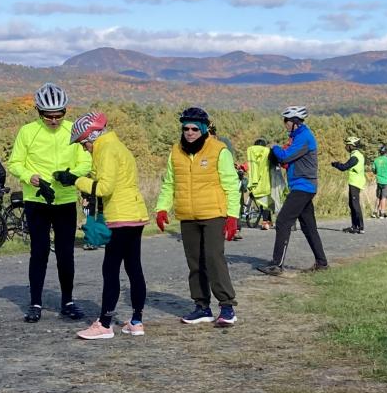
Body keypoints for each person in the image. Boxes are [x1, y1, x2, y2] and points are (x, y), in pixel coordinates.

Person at [7, 83, 91, 323]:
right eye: (48, 116)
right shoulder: (27, 131)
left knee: (66, 254)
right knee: (39, 252)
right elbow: (15, 163)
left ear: (65, 111)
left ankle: (68, 301)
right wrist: (30, 177)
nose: (54, 120)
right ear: (38, 111)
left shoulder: (73, 131)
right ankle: (35, 303)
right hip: (37, 200)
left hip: (64, 200)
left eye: (59, 115)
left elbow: (86, 162)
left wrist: (71, 175)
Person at [155, 107, 241, 326]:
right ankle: (202, 307)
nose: (190, 132)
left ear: (203, 129)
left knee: (214, 258)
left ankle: (227, 306)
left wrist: (233, 216)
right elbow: (169, 183)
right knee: (195, 262)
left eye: (194, 128)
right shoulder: (176, 151)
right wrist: (162, 208)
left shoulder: (219, 150)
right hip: (187, 216)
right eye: (186, 128)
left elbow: (232, 185)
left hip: (214, 214)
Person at [68, 112, 149, 339]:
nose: (84, 148)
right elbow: (105, 176)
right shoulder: (117, 146)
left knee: (111, 269)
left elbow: (104, 187)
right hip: (135, 214)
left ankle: (104, 324)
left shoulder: (105, 149)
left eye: (83, 143)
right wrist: (83, 177)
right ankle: (136, 321)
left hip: (120, 217)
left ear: (91, 137)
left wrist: (75, 181)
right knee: (134, 267)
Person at [258, 106, 328, 275]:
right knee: (309, 226)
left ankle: (276, 265)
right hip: (303, 186)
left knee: (282, 221)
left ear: (295, 122)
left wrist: (274, 148)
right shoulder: (299, 136)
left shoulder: (304, 137)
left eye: (286, 121)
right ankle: (322, 264)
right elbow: (289, 160)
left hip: (303, 187)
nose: (284, 124)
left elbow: (285, 156)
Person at [332, 136, 367, 234]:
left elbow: (344, 167)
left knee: (355, 205)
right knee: (352, 204)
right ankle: (354, 226)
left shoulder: (355, 157)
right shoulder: (356, 154)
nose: (346, 146)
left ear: (352, 146)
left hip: (356, 183)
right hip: (354, 182)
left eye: (347, 145)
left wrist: (336, 164)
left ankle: (360, 227)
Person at [246, 138, 273, 229]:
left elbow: (248, 166)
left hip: (255, 183)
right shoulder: (267, 153)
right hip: (266, 182)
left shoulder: (251, 154)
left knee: (262, 202)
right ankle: (265, 222)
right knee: (266, 203)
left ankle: (268, 221)